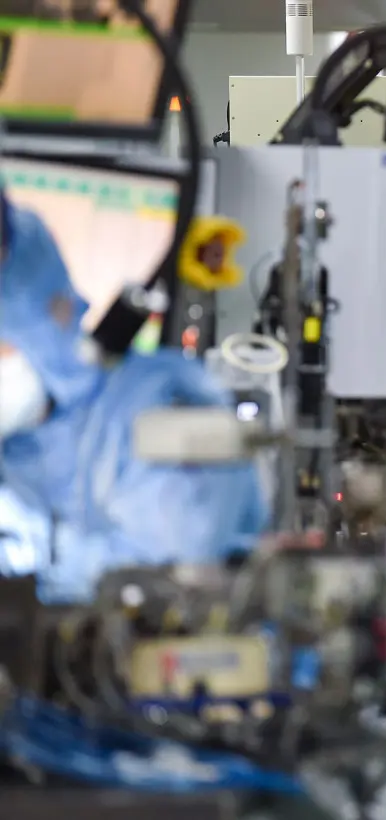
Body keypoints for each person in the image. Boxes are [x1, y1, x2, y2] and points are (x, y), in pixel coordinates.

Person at [0, 197, 268, 603]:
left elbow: (172, 582)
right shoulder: (20, 451)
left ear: (49, 315)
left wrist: (39, 569)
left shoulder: (151, 414)